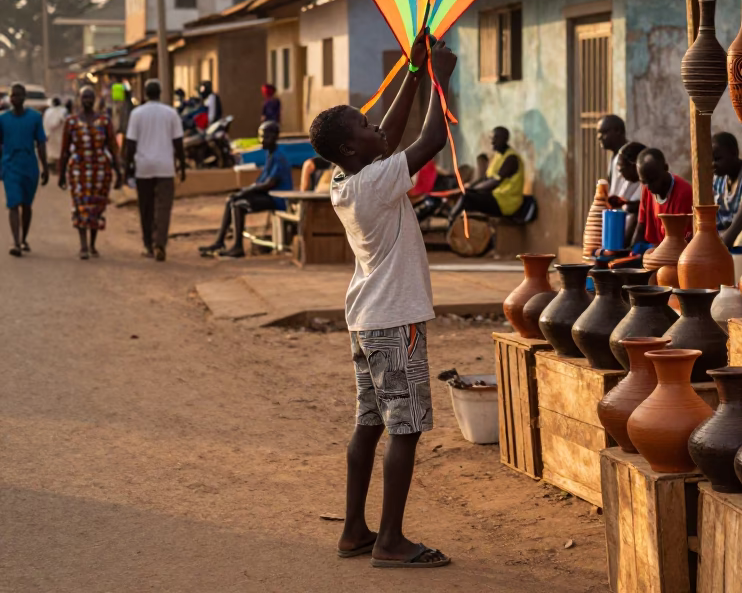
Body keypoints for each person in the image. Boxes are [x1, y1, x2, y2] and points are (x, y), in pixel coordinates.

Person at [306, 35, 454, 568]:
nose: (376, 129)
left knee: (369, 422)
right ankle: (390, 541)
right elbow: (431, 137)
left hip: (366, 321)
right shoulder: (374, 183)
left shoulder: (345, 177)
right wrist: (440, 78)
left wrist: (413, 69)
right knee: (405, 428)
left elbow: (387, 136)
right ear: (351, 149)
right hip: (396, 320)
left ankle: (354, 530)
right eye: (364, 128)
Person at [198, 121, 292, 258]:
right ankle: (219, 241)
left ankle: (237, 247)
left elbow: (269, 184)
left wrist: (245, 192)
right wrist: (244, 191)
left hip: (277, 199)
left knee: (238, 205)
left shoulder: (279, 156)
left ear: (275, 137)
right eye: (260, 137)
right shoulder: (271, 154)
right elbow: (261, 182)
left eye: (265, 137)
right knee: (231, 200)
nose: (262, 140)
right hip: (269, 195)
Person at [124, 79, 186, 262]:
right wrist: (182, 165)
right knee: (163, 207)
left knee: (146, 207)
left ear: (145, 93)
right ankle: (160, 243)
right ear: (160, 92)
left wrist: (127, 167)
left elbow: (130, 144)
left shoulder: (137, 114)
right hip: (165, 167)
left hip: (143, 167)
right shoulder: (171, 113)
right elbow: (178, 143)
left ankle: (148, 245)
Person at [58, 85, 122, 259]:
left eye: (90, 97)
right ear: (79, 99)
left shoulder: (104, 121)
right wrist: (61, 173)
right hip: (78, 170)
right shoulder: (71, 121)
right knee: (80, 206)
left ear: (95, 100)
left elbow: (113, 147)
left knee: (96, 207)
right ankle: (83, 245)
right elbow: (64, 150)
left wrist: (119, 172)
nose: (87, 100)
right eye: (84, 97)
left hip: (100, 171)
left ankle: (93, 244)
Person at [0, 83, 49, 257]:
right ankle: (16, 242)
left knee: (26, 205)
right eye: (13, 96)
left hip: (29, 165)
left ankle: (23, 237)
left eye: (19, 95)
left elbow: (41, 142)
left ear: (24, 97)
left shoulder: (35, 118)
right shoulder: (3, 119)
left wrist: (45, 167)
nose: (15, 99)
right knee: (13, 203)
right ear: (10, 98)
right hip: (10, 165)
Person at [448, 127, 523, 224]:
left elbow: (494, 183)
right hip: (497, 197)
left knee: (467, 197)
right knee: (466, 196)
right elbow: (485, 179)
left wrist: (473, 190)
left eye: (496, 138)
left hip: (506, 202)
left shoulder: (511, 159)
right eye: (492, 138)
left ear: (505, 139)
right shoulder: (498, 155)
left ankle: (449, 222)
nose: (492, 142)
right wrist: (470, 186)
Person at [631, 147, 693, 250]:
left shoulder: (683, 193)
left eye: (653, 180)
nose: (649, 187)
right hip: (655, 250)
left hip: (675, 253)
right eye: (644, 182)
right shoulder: (647, 188)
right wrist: (633, 252)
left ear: (665, 168)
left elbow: (682, 243)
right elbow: (641, 225)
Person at [612, 141, 646, 243]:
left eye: (622, 170)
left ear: (634, 166)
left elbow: (643, 211)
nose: (621, 175)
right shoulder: (630, 181)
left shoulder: (651, 184)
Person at [42, 97, 68, 173]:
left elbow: (45, 123)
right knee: (58, 152)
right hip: (58, 135)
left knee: (53, 152)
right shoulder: (63, 111)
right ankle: (57, 168)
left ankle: (55, 168)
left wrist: (46, 133)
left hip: (51, 135)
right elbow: (61, 120)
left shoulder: (48, 111)